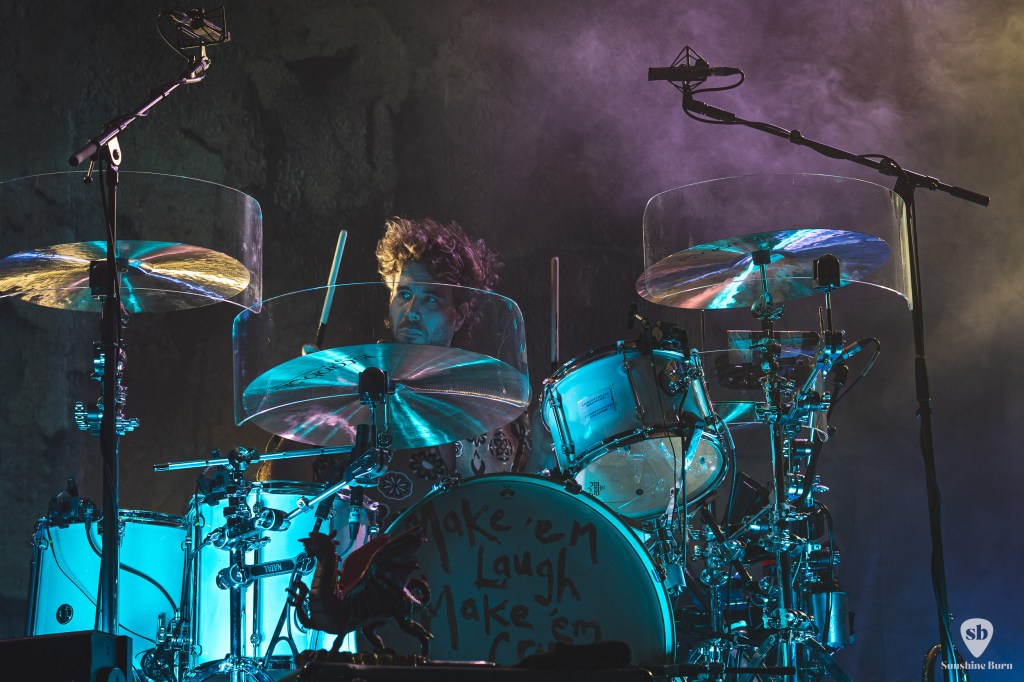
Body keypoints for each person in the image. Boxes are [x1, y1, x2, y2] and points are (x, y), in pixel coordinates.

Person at [258, 217, 534, 527]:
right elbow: (277, 490)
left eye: (430, 299)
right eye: (403, 294)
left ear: (460, 316)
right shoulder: (353, 390)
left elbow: (526, 507)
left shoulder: (490, 403)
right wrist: (308, 407)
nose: (412, 311)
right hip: (368, 567)